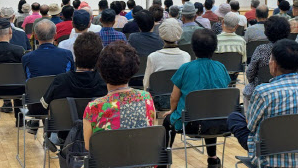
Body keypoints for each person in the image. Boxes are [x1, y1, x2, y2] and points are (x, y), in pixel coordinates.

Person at [227, 39, 298, 168]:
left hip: (269, 160)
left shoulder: (263, 91)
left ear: (274, 64)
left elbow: (251, 126)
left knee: (234, 117)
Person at [163, 29, 231, 167]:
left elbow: (174, 97)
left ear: (193, 48)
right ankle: (213, 158)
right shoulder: (221, 67)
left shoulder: (185, 68)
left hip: (191, 124)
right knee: (209, 113)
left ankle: (164, 159)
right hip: (220, 122)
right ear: (214, 48)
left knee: (167, 120)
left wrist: (172, 110)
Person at [83, 41, 156, 149]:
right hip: (143, 162)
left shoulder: (94, 107)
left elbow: (89, 147)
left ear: (101, 71)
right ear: (134, 69)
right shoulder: (146, 98)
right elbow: (151, 132)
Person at [41, 32, 107, 109]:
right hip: (95, 121)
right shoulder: (105, 84)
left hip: (64, 121)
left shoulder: (60, 81)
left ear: (75, 52)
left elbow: (44, 107)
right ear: (98, 57)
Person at [243, 16, 290, 110]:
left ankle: (249, 119)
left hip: (262, 88)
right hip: (287, 88)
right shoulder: (292, 49)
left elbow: (250, 74)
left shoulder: (261, 49)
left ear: (267, 32)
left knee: (247, 90)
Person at [0, 19, 25, 126]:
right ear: (10, 31)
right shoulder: (19, 50)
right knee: (19, 81)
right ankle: (19, 118)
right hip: (19, 89)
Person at [143, 18, 191, 90]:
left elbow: (146, 85)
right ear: (179, 33)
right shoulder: (186, 56)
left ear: (161, 33)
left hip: (158, 99)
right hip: (179, 99)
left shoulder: (152, 57)